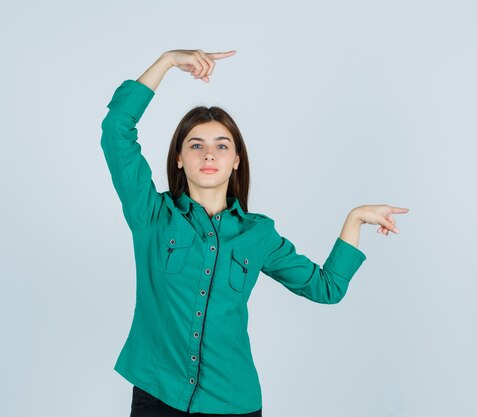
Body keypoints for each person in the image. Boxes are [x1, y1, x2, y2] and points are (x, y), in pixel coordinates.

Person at [100, 48, 409, 417]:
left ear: (236, 160)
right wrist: (167, 61)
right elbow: (116, 129)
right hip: (158, 395)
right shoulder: (152, 215)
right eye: (196, 145)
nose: (209, 155)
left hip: (232, 403)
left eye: (222, 146)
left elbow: (326, 288)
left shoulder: (258, 235)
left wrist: (355, 219)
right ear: (179, 158)